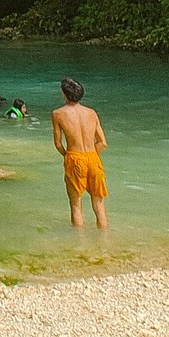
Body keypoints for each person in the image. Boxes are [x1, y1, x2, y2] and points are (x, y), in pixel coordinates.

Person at [51, 77, 108, 229]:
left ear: (64, 94)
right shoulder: (91, 112)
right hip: (93, 158)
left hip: (74, 157)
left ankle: (79, 243)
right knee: (99, 204)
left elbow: (57, 144)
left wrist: (68, 155)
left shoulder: (58, 114)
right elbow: (103, 142)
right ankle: (104, 240)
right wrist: (91, 154)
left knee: (76, 205)